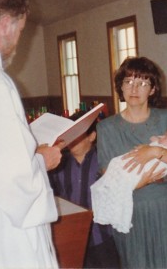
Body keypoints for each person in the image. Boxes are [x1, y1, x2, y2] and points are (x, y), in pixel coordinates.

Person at [96, 57, 167, 269]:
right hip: (129, 208)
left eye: (142, 83)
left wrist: (155, 151)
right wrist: (141, 183)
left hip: (166, 205)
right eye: (128, 81)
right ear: (120, 87)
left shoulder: (166, 119)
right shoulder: (107, 128)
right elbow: (107, 177)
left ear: (153, 89)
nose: (134, 88)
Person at [0, 0, 62, 267]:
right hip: (7, 229)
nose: (18, 40)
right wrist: (41, 159)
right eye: (21, 30)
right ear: (6, 24)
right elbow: (13, 178)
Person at [49, 111, 120, 268]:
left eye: (77, 134)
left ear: (92, 136)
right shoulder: (59, 164)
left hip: (102, 236)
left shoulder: (104, 161)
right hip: (72, 237)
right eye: (69, 135)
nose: (71, 140)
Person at [91, 127, 167, 234]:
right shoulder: (106, 126)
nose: (162, 136)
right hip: (131, 175)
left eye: (165, 136)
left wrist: (154, 151)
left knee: (118, 180)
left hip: (151, 190)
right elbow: (156, 139)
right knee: (115, 170)